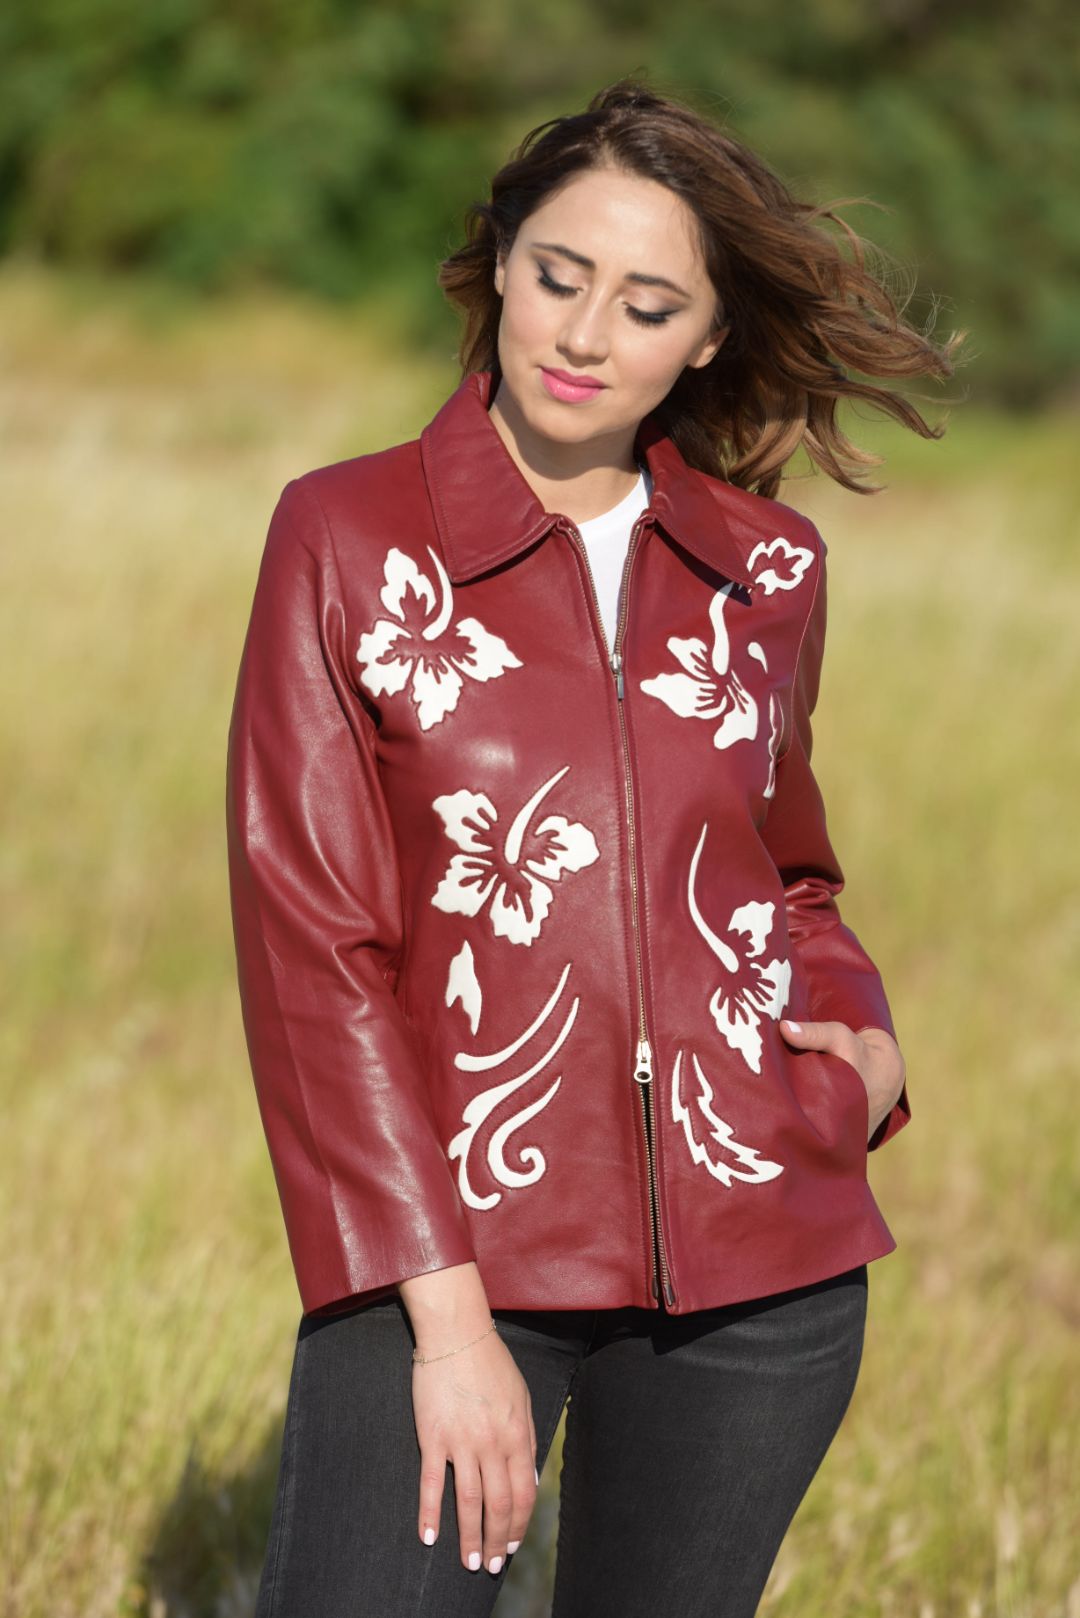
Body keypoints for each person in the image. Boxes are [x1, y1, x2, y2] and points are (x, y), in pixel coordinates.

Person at [226, 76, 962, 1618]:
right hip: (447, 1250)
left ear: (705, 338)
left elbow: (789, 871)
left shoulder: (767, 568)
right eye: (559, 276)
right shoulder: (346, 536)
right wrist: (448, 1326)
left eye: (645, 305)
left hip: (758, 1265)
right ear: (500, 261)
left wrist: (863, 1042)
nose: (583, 335)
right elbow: (315, 951)